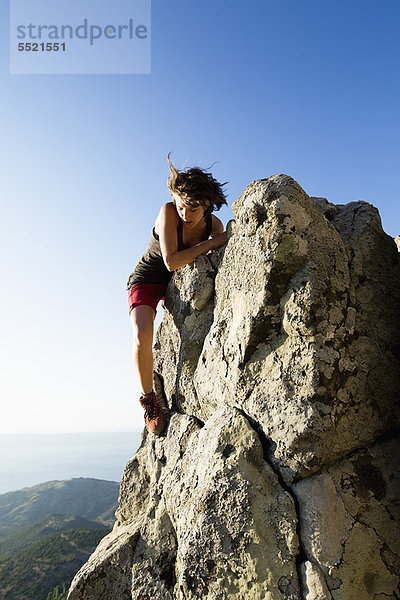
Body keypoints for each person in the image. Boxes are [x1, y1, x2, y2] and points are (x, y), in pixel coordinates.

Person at [126, 153, 228, 435]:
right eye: (182, 206)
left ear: (207, 206)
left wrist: (216, 240)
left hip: (178, 283)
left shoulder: (213, 226)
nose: (186, 214)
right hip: (147, 278)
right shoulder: (167, 212)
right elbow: (170, 261)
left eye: (193, 209)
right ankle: (149, 401)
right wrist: (213, 244)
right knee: (141, 335)